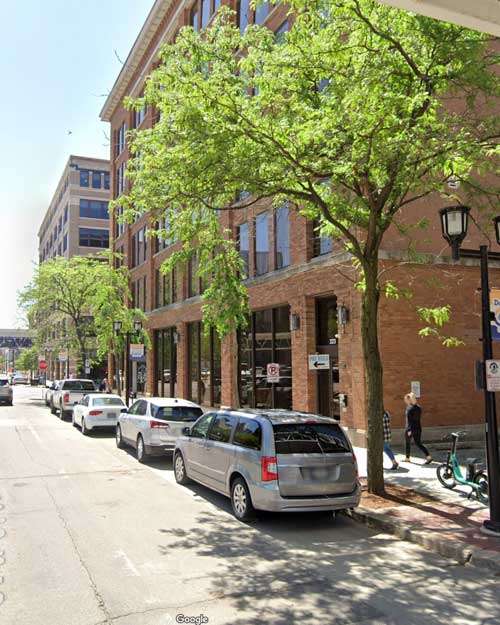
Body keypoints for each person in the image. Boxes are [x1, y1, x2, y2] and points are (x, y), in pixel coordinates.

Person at [404, 392, 432, 464]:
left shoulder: (411, 409)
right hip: (417, 428)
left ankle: (408, 458)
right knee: (417, 443)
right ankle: (428, 456)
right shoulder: (418, 408)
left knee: (410, 443)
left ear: (410, 400)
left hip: (411, 428)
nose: (405, 401)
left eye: (407, 399)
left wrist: (409, 429)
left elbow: (411, 420)